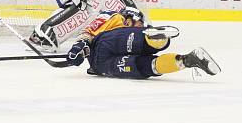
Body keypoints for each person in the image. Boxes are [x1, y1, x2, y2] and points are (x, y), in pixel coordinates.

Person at [65, 7, 221, 79]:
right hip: (104, 44)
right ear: (129, 19)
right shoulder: (114, 17)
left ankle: (186, 61)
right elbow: (88, 32)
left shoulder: (127, 25)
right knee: (136, 39)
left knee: (143, 66)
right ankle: (154, 37)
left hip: (102, 65)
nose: (140, 25)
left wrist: (81, 49)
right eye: (139, 23)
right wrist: (81, 44)